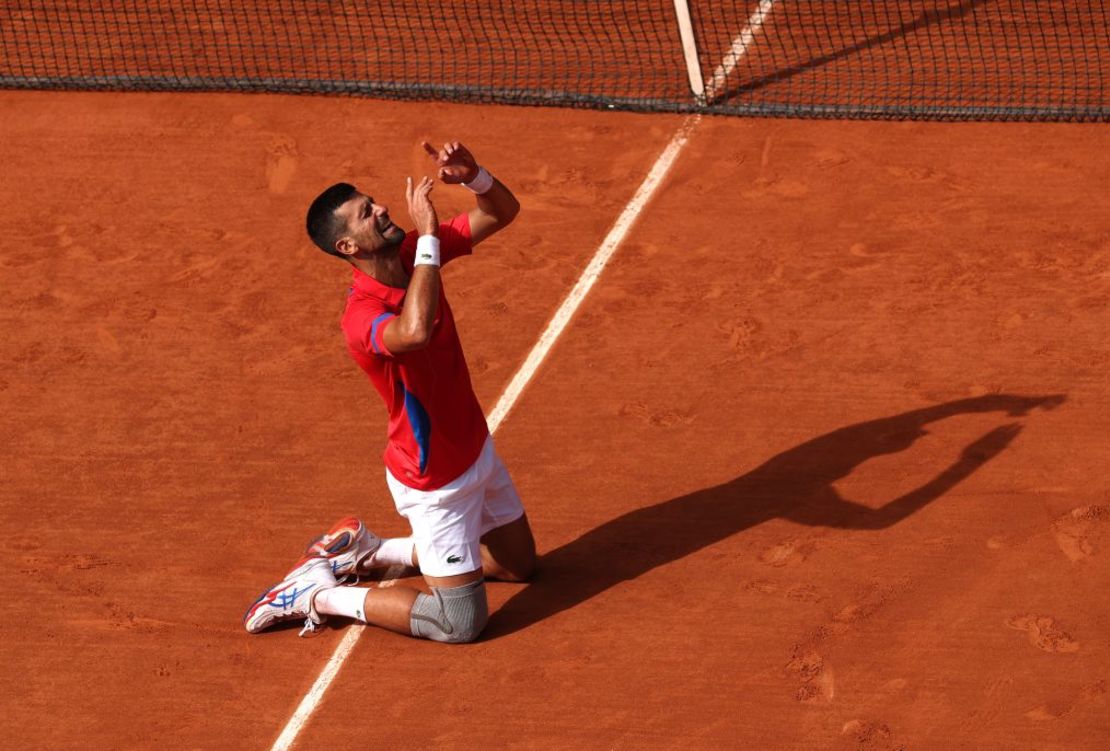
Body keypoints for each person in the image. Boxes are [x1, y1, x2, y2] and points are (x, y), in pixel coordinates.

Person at [244, 141, 536, 643]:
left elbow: (501, 213)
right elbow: (414, 330)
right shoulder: (362, 318)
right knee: (460, 623)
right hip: (433, 481)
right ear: (348, 248)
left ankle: (370, 553)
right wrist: (427, 237)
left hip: (474, 449)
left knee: (518, 567)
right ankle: (316, 593)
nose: (381, 208)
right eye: (365, 213)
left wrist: (474, 177)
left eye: (372, 201)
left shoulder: (410, 255)